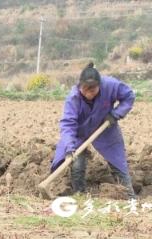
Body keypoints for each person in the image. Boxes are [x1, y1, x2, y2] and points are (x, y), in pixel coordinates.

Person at [51, 62, 136, 199]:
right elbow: (68, 124)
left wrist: (116, 114)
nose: (88, 93)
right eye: (85, 89)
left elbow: (129, 96)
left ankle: (130, 197)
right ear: (80, 85)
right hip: (79, 132)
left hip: (105, 127)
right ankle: (80, 196)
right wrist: (69, 147)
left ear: (99, 85)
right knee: (77, 164)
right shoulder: (73, 98)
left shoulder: (110, 85)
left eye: (92, 90)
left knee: (118, 162)